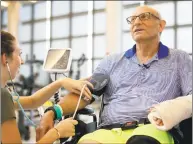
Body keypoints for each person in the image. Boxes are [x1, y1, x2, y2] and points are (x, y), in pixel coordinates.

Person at [37, 5, 192, 144]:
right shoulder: (111, 62)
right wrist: (52, 112)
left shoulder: (180, 59)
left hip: (153, 129)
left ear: (161, 25)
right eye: (132, 19)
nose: (137, 22)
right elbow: (85, 92)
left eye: (144, 17)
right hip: (109, 131)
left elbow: (190, 98)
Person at [1, 30, 94, 144]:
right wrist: (57, 132)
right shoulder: (3, 96)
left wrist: (61, 82)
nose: (23, 61)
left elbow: (33, 101)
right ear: (5, 58)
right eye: (19, 54)